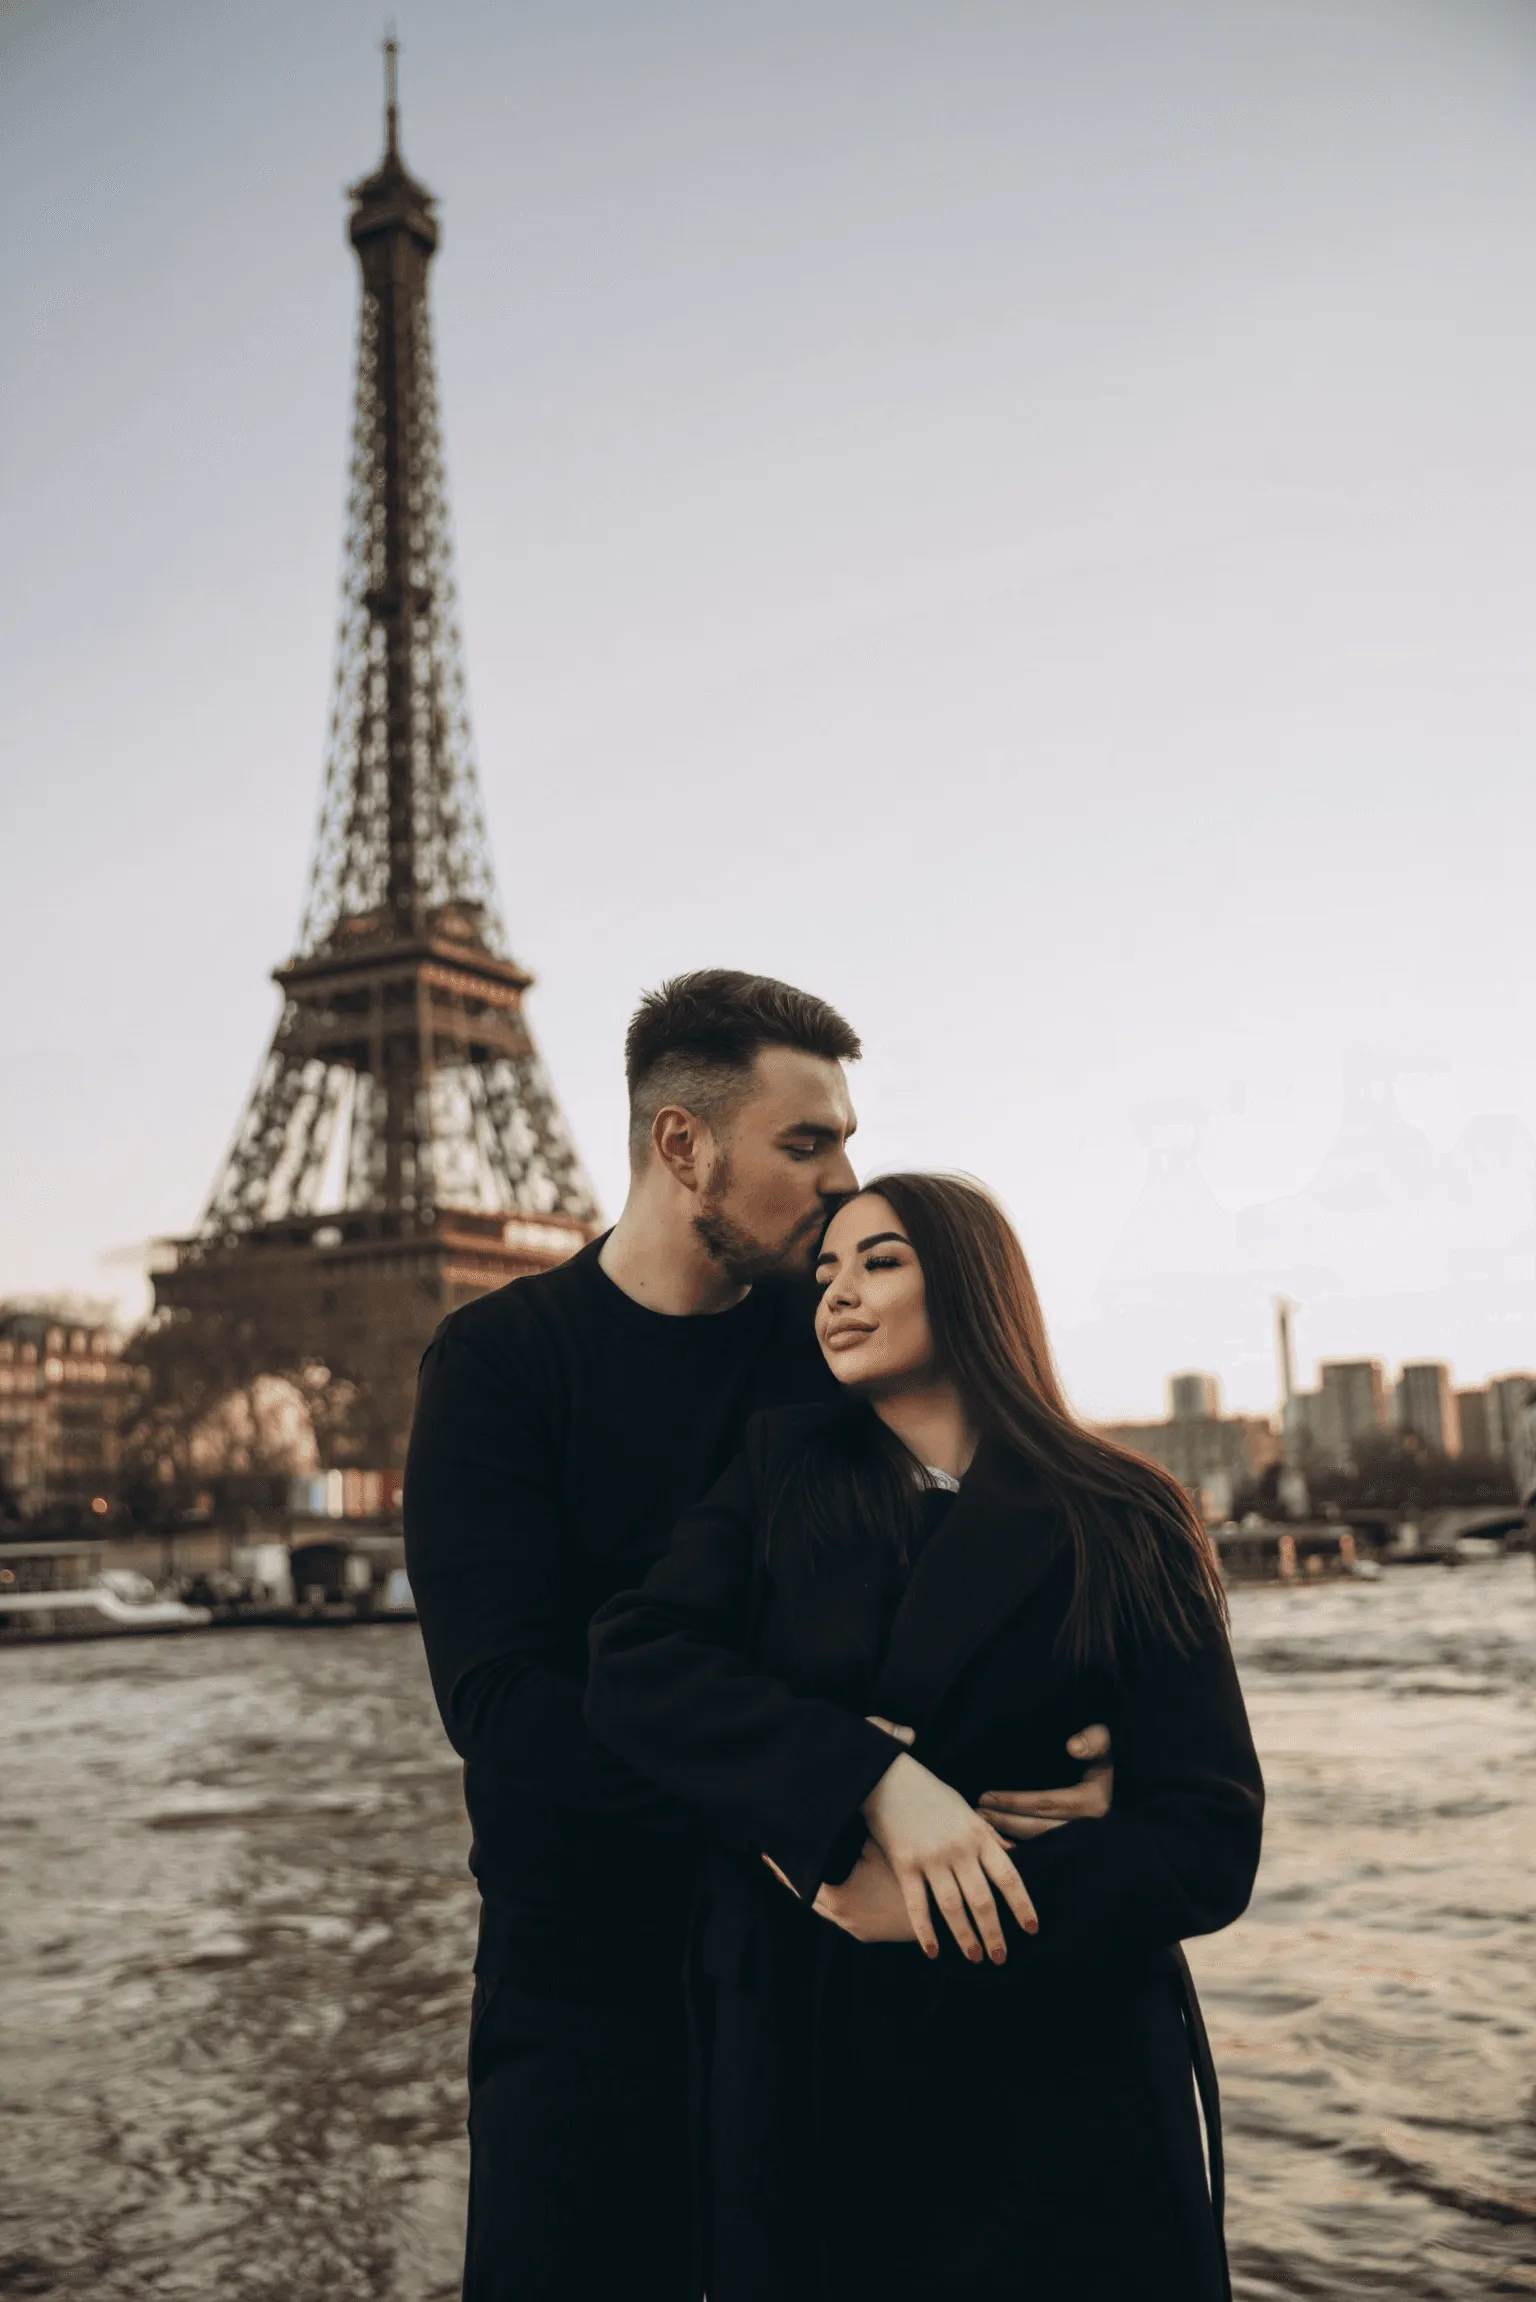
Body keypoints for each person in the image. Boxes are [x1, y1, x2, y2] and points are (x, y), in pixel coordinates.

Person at [403, 979, 1115, 2302]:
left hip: (824, 1986)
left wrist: (1085, 1741)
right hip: (591, 1989)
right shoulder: (497, 1363)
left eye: (846, 1140)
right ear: (683, 1145)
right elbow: (503, 1703)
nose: (847, 1183)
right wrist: (829, 1799)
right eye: (809, 1145)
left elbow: (981, 1563)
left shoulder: (828, 1347)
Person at [587, 1172, 1264, 2302]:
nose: (838, 1293)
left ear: (972, 1284)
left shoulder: (1128, 1513)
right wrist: (870, 1777)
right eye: (826, 1271)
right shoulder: (779, 1471)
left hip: (1067, 2083)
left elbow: (1208, 1841)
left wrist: (948, 1908)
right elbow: (633, 1666)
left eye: (880, 1260)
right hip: (820, 2076)